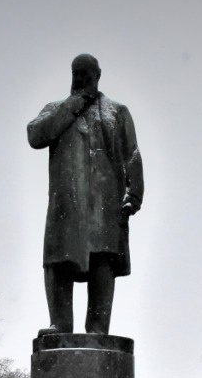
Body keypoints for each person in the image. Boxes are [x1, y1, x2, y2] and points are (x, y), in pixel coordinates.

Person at [27, 52, 143, 335]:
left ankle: (98, 330)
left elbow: (132, 155)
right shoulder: (57, 109)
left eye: (86, 74)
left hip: (105, 204)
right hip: (66, 204)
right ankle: (60, 324)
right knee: (59, 261)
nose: (80, 79)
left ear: (98, 76)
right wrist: (73, 105)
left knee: (102, 261)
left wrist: (134, 194)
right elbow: (35, 135)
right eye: (76, 73)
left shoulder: (117, 112)